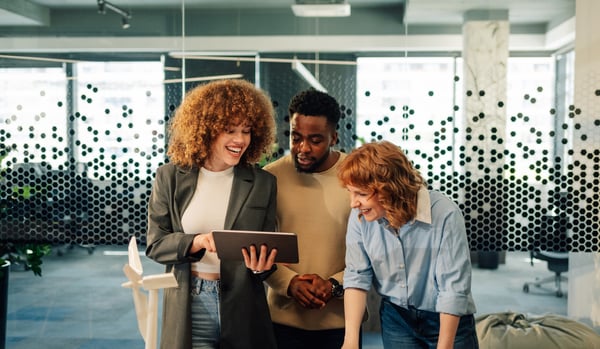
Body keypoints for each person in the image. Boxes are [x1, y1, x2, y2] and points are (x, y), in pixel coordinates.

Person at [145, 79, 279, 349]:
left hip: (244, 306)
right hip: (190, 303)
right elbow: (156, 244)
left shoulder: (264, 183)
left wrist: (262, 266)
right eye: (229, 130)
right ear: (206, 130)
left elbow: (267, 247)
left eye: (246, 130)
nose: (240, 140)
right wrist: (196, 242)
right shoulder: (170, 177)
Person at [337, 140, 479, 349]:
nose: (353, 203)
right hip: (397, 318)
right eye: (351, 192)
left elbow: (453, 289)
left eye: (362, 194)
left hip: (446, 318)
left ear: (389, 189)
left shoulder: (445, 214)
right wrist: (350, 341)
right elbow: (357, 276)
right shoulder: (360, 217)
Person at [263, 89, 352, 348]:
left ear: (333, 137)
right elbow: (258, 246)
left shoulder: (356, 178)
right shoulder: (270, 178)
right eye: (296, 137)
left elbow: (374, 250)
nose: (303, 148)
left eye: (315, 140)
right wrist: (289, 283)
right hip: (282, 321)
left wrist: (335, 285)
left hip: (343, 321)